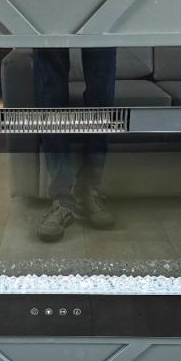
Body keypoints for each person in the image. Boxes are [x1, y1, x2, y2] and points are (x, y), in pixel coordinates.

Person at [33, 48, 117, 242]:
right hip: (48, 27)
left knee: (101, 95)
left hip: (101, 28)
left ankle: (90, 189)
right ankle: (62, 200)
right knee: (50, 96)